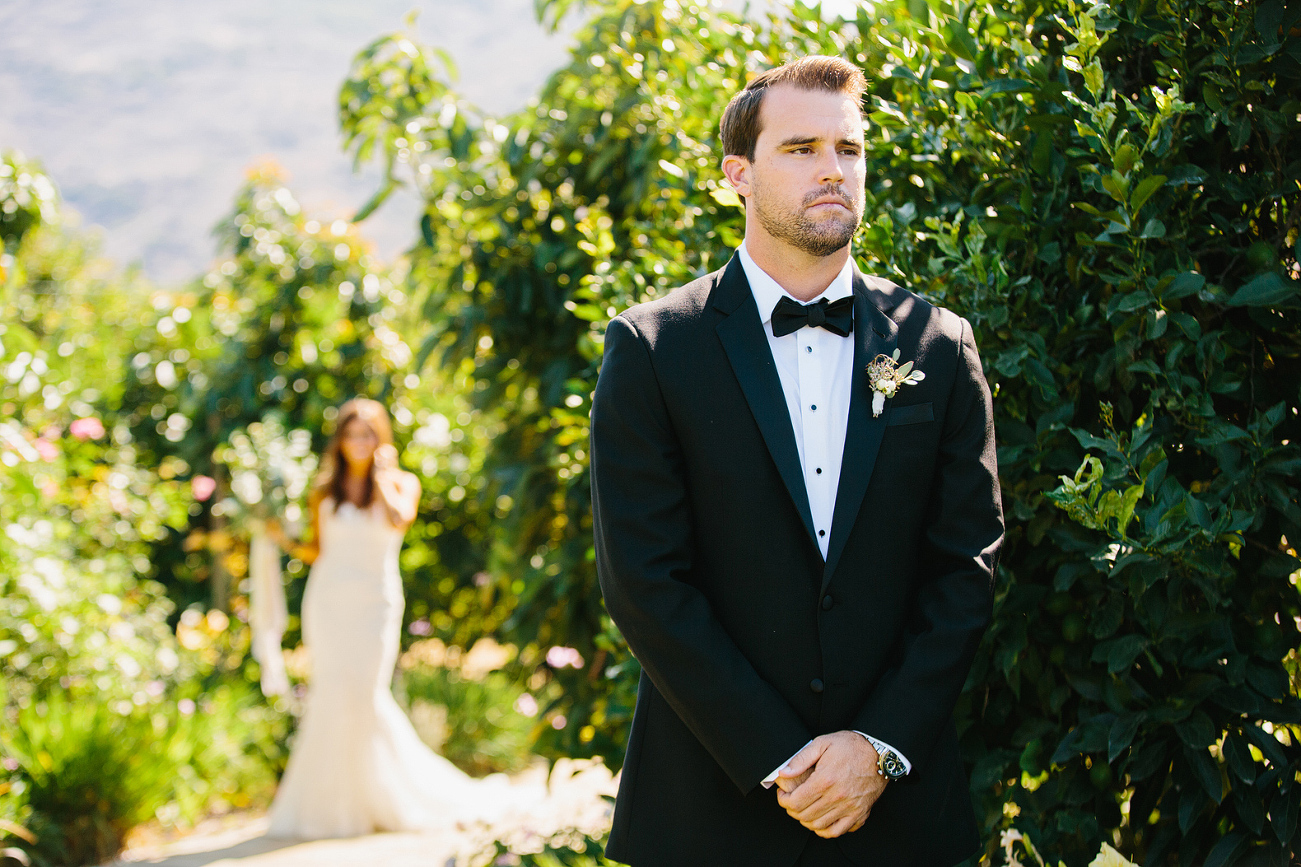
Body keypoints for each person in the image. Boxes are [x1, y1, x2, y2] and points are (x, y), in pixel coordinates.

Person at [589, 56, 1004, 866]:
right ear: (736, 174)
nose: (831, 169)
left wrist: (875, 748)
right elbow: (642, 579)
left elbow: (966, 565)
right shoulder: (651, 347)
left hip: (898, 812)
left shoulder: (938, 344)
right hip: (710, 807)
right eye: (801, 148)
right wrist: (783, 759)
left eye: (848, 150)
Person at [264, 397, 501, 838]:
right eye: (352, 434)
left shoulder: (401, 484)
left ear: (381, 438)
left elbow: (399, 520)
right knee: (333, 692)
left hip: (375, 601)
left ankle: (391, 798)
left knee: (366, 691)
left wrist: (383, 474)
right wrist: (280, 538)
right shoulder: (323, 490)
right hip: (328, 601)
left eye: (368, 433)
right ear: (340, 439)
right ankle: (333, 808)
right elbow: (317, 549)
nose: (359, 442)